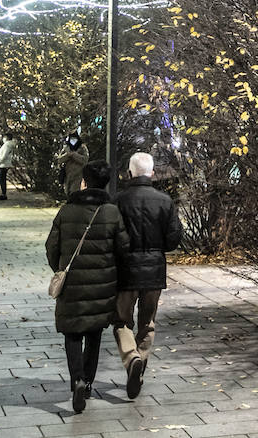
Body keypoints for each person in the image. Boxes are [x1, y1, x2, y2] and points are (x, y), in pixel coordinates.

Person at [45, 160, 129, 414]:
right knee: (94, 334)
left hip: (72, 285)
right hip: (103, 285)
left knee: (72, 334)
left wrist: (59, 269)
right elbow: (123, 249)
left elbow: (52, 246)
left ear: (84, 182)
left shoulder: (67, 211)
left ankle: (77, 380)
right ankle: (88, 383)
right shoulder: (112, 212)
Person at [113, 151, 182, 397]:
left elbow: (113, 237)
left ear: (129, 173)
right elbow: (173, 239)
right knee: (147, 323)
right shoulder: (165, 201)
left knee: (121, 320)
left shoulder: (119, 201)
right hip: (154, 270)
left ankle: (131, 358)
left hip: (126, 270)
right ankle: (139, 365)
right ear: (152, 174)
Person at [57, 133, 89, 199]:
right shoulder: (66, 148)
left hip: (78, 176)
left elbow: (85, 160)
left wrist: (73, 155)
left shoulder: (82, 148)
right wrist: (68, 155)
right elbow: (59, 160)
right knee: (67, 193)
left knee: (74, 194)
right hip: (67, 176)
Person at [0, 130, 16, 200]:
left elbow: (4, 155)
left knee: (1, 179)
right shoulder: (9, 144)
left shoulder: (7, 145)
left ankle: (3, 194)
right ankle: (3, 193)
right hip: (5, 163)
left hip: (3, 164)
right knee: (2, 179)